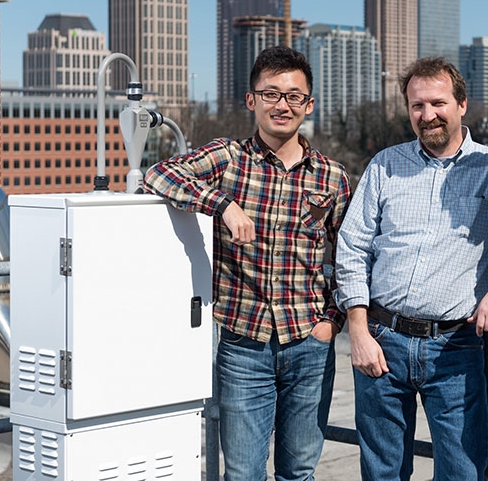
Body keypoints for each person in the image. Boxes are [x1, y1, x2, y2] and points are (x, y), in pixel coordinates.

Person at [143, 45, 351, 481]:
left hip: (310, 343)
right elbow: (158, 174)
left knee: (299, 472)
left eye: (294, 95)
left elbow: (350, 255)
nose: (282, 105)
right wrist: (222, 204)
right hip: (243, 346)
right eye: (271, 93)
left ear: (309, 105)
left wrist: (332, 320)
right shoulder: (228, 158)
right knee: (243, 474)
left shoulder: (332, 177)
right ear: (251, 100)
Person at [335, 56, 488, 481]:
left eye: (437, 103)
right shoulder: (384, 165)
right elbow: (352, 248)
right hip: (381, 340)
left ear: (462, 104)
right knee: (382, 473)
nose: (427, 115)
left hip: (456, 348)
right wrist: (357, 331)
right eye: (417, 106)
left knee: (462, 473)